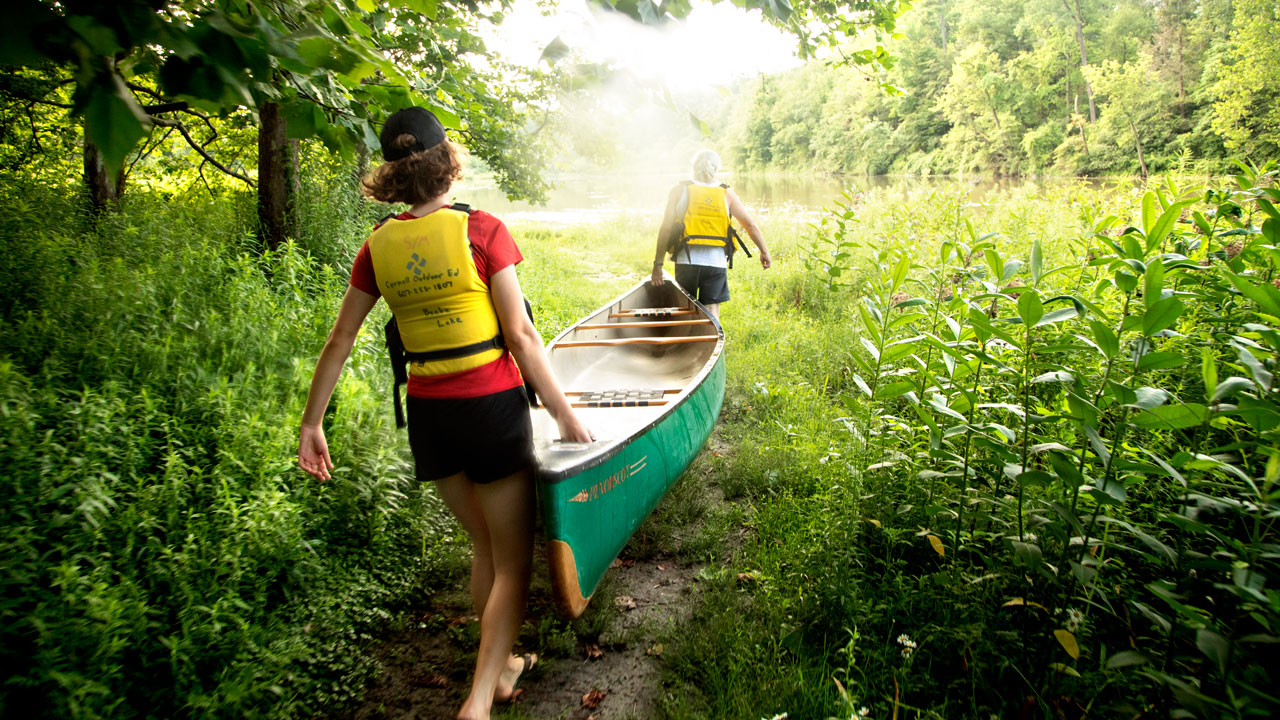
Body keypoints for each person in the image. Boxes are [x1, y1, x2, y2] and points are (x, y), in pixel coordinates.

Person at [296, 106, 592, 720]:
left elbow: (340, 340)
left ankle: (503, 665)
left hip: (430, 417)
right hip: (490, 412)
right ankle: (480, 701)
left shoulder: (377, 246)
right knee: (512, 561)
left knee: (484, 548)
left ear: (395, 177)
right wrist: (564, 415)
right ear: (445, 163)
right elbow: (522, 336)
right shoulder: (482, 231)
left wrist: (311, 423)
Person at [650, 149, 772, 317]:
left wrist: (658, 264)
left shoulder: (679, 190)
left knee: (686, 310)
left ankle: (687, 342)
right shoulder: (726, 193)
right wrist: (764, 251)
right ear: (716, 169)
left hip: (687, 261)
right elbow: (750, 225)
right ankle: (711, 341)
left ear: (694, 168)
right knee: (712, 311)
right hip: (716, 262)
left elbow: (666, 228)